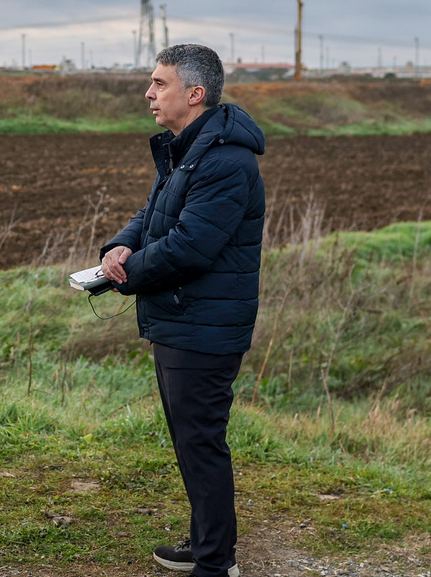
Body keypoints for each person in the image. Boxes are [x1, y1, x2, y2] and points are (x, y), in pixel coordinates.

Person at [101, 43, 265, 577]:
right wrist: (119, 247)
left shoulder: (226, 161)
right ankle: (204, 542)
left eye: (159, 84)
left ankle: (217, 564)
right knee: (189, 440)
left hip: (204, 326)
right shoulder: (190, 148)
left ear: (194, 94)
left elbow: (192, 245)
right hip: (181, 317)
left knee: (201, 442)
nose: (149, 94)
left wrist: (126, 276)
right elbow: (154, 212)